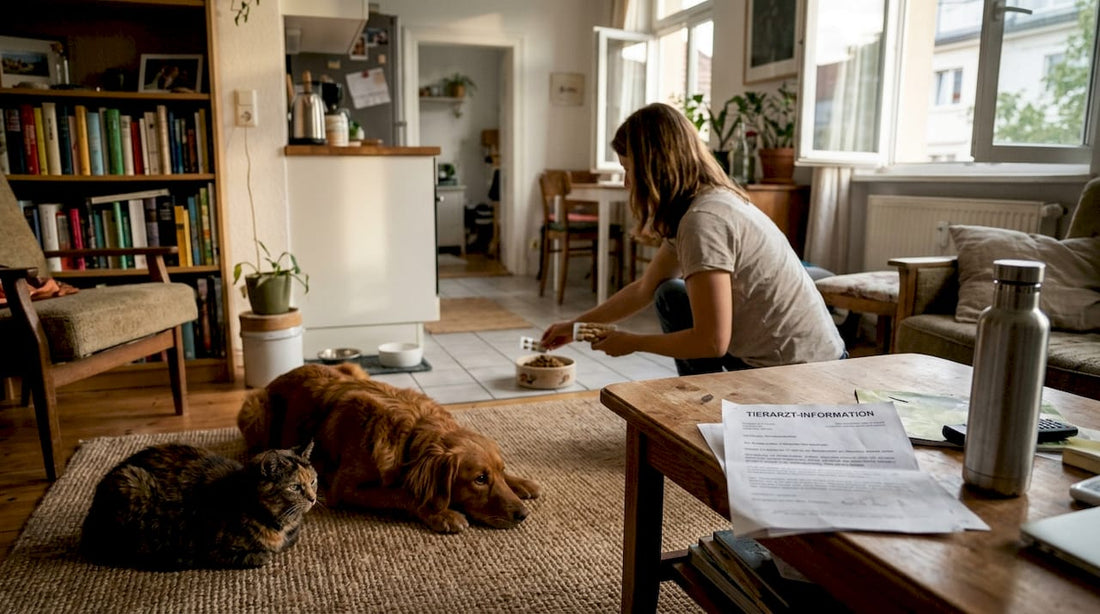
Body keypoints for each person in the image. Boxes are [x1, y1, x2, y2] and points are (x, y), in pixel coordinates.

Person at [540, 102, 844, 376]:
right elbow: (643, 289)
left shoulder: (704, 220)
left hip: (803, 375)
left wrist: (633, 342)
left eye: (629, 170)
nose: (626, 182)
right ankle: (705, 398)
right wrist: (574, 327)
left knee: (678, 302)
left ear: (655, 169)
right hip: (796, 363)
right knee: (669, 293)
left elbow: (712, 342)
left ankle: (704, 403)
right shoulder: (700, 204)